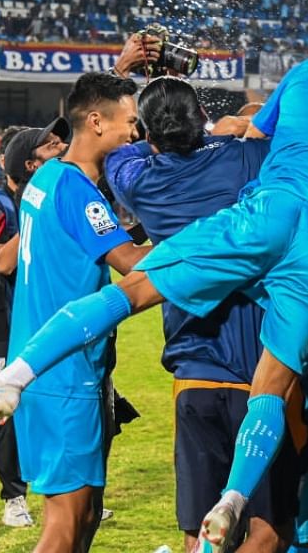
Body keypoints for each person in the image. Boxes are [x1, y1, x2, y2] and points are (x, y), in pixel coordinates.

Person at [0, 0, 308, 548]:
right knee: (275, 381)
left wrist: (139, 80)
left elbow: (245, 126)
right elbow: (259, 134)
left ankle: (14, 378)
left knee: (136, 290)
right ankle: (235, 498)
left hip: (259, 230)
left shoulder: (297, 78)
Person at [102, 77, 297, 553]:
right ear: (201, 118)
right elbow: (279, 142)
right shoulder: (248, 159)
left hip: (195, 373)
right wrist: (230, 132)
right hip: (260, 375)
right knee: (267, 529)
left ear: (148, 133)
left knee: (199, 531)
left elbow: (120, 156)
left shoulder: (140, 181)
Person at [6, 72, 147, 552]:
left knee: (84, 513)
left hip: (46, 367)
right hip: (65, 377)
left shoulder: (46, 177)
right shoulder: (75, 189)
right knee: (66, 522)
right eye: (129, 122)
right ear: (96, 122)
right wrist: (207, 240)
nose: (134, 132)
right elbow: (130, 263)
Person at [0, 126, 39, 529]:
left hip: (41, 317)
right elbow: (3, 263)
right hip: (3, 323)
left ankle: (66, 492)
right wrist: (40, 221)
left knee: (52, 403)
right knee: (6, 407)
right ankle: (14, 498)